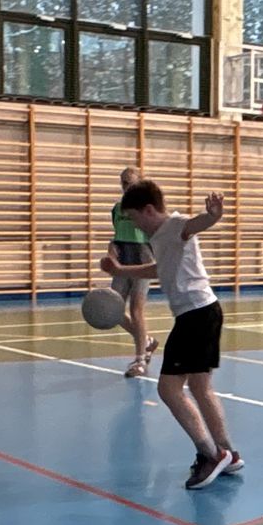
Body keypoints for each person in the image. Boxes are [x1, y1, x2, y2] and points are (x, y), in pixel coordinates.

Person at [101, 180, 241, 489]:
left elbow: (195, 225)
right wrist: (120, 270)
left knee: (168, 389)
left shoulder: (175, 225)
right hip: (205, 311)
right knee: (201, 387)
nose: (135, 225)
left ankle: (212, 455)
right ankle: (229, 453)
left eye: (134, 218)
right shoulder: (160, 237)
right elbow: (158, 269)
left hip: (195, 315)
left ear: (149, 210)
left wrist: (213, 216)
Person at [108, 167, 159, 377]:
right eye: (123, 182)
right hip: (122, 263)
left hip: (142, 260)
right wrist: (112, 248)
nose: (126, 186)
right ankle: (146, 341)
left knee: (136, 310)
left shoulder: (148, 209)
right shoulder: (117, 209)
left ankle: (140, 360)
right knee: (113, 310)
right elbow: (117, 235)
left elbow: (156, 235)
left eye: (130, 182)